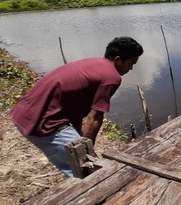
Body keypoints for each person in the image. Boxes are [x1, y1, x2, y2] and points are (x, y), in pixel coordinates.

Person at [10, 36, 143, 177]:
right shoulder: (112, 77)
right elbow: (95, 117)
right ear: (117, 59)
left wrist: (81, 139)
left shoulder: (94, 63)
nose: (131, 68)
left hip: (22, 114)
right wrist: (87, 153)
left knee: (80, 163)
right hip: (44, 124)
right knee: (87, 172)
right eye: (130, 64)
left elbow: (77, 111)